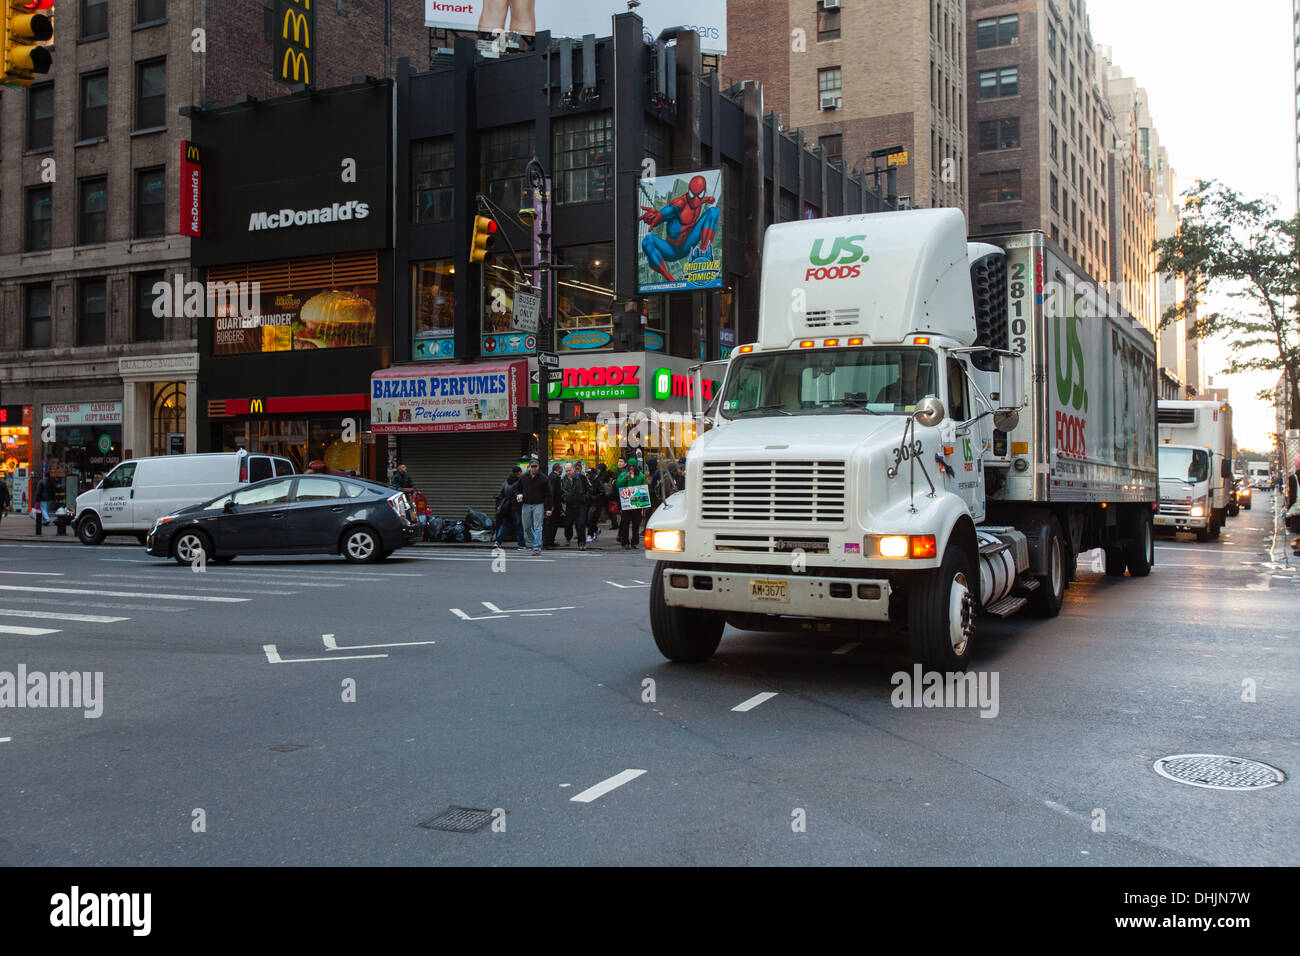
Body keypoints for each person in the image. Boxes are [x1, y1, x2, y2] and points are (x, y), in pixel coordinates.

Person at [517, 459, 552, 555]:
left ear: (538, 467)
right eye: (532, 466)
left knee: (538, 527)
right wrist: (518, 495)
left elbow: (548, 494)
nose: (534, 468)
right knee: (527, 527)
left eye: (535, 466)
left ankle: (536, 547)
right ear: (529, 467)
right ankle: (535, 542)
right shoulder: (523, 477)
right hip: (526, 504)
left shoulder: (544, 478)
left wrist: (549, 508)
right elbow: (518, 488)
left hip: (538, 504)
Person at [616, 459, 649, 550]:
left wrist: (645, 503)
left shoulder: (641, 475)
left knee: (636, 524)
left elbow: (643, 489)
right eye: (629, 466)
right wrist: (625, 477)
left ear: (635, 466)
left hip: (636, 503)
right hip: (626, 503)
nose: (631, 468)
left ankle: (634, 542)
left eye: (633, 466)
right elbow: (618, 485)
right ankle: (625, 542)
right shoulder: (623, 474)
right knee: (625, 523)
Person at [494, 466, 526, 549]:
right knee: (518, 526)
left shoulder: (506, 482)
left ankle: (497, 541)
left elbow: (501, 495)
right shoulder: (520, 482)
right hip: (516, 507)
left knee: (504, 525)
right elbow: (520, 495)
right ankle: (521, 545)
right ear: (518, 473)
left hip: (506, 507)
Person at [561, 463, 590, 550]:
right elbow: (561, 492)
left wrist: (585, 497)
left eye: (569, 470)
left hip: (580, 503)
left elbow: (589, 488)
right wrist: (565, 498)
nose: (568, 472)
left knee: (580, 523)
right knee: (568, 523)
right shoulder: (564, 479)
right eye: (566, 471)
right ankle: (568, 537)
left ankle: (582, 542)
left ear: (573, 469)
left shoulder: (581, 477)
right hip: (570, 504)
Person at [543, 463, 564, 548]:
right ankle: (548, 542)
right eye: (561, 468)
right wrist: (551, 505)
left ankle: (550, 541)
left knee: (553, 524)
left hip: (554, 504)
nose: (562, 470)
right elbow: (551, 492)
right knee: (551, 524)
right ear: (558, 469)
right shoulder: (554, 477)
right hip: (553, 505)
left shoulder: (552, 476)